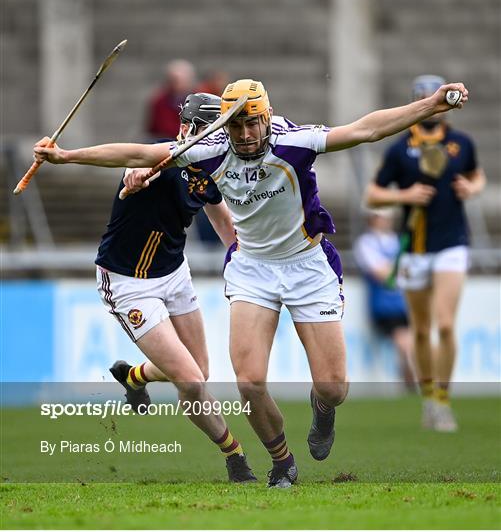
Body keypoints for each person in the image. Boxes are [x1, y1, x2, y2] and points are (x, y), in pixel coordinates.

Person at [34, 77, 469, 487]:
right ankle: (281, 462)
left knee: (335, 388)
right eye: (236, 124)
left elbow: (366, 130)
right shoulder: (205, 151)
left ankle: (322, 408)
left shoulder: (294, 143)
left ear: (267, 116)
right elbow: (137, 154)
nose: (244, 134)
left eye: (252, 123)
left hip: (306, 265)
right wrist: (67, 156)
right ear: (226, 122)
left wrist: (431, 104)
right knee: (249, 382)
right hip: (252, 269)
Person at [95, 92, 256, 483]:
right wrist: (135, 175)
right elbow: (137, 169)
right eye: (212, 131)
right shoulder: (158, 159)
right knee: (191, 380)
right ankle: (235, 457)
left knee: (200, 370)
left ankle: (135, 377)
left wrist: (247, 258)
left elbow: (223, 223)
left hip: (174, 273)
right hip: (128, 281)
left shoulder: (209, 170)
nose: (221, 139)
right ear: (188, 128)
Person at [364, 75, 485, 432]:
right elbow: (373, 195)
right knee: (420, 329)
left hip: (452, 244)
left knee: (445, 324)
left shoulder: (461, 143)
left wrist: (471, 187)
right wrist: (404, 196)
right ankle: (428, 395)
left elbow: (478, 177)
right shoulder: (399, 149)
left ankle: (443, 400)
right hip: (415, 248)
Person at [353, 207, 415, 389]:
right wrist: (399, 273)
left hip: (406, 304)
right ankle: (411, 382)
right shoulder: (366, 243)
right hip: (384, 307)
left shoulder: (397, 241)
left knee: (409, 345)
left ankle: (410, 383)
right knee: (405, 344)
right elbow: (383, 274)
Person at [145, 59, 196, 140]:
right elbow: (160, 127)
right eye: (174, 80)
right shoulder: (160, 101)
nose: (177, 83)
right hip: (165, 142)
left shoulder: (198, 100)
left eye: (182, 80)